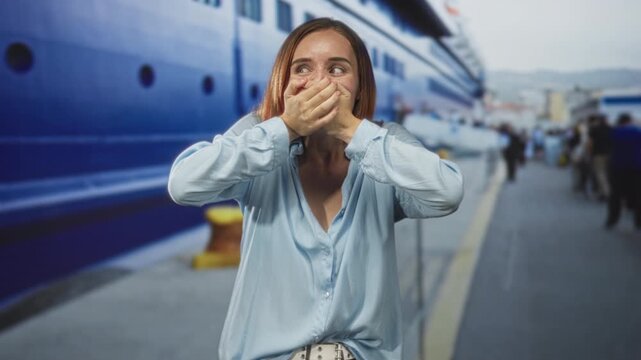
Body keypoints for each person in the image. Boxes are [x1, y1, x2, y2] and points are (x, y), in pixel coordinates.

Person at [168, 18, 464, 359]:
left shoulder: (385, 142)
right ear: (285, 81)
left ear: (359, 86)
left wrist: (354, 131)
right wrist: (285, 128)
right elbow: (184, 185)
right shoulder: (260, 134)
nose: (320, 81)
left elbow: (447, 193)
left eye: (337, 70)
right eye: (303, 68)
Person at [606, 113, 641, 229]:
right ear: (629, 121)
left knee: (615, 195)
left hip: (618, 167)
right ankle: (638, 221)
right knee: (637, 194)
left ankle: (612, 220)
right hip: (636, 167)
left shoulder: (614, 132)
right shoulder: (637, 132)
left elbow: (609, 149)